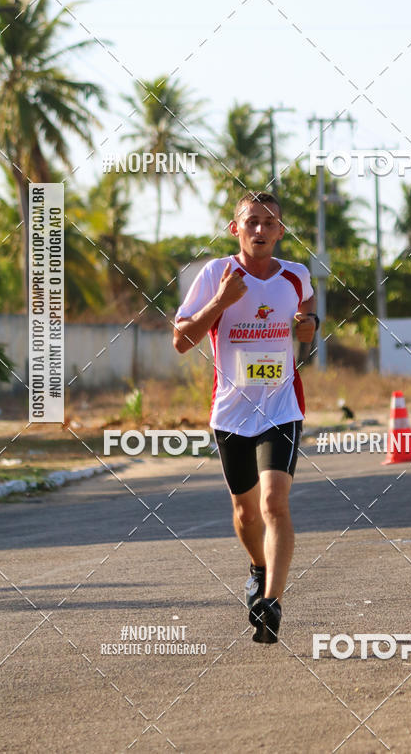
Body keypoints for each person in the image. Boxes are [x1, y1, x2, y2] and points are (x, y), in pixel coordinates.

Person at [173, 191, 318, 643]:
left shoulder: (296, 275)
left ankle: (271, 601)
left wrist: (308, 329)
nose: (260, 230)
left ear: (280, 231)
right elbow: (180, 341)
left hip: (281, 406)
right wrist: (219, 301)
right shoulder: (216, 273)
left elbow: (307, 316)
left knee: (274, 502)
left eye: (269, 222)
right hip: (232, 412)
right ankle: (257, 566)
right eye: (251, 221)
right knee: (245, 512)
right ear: (235, 228)